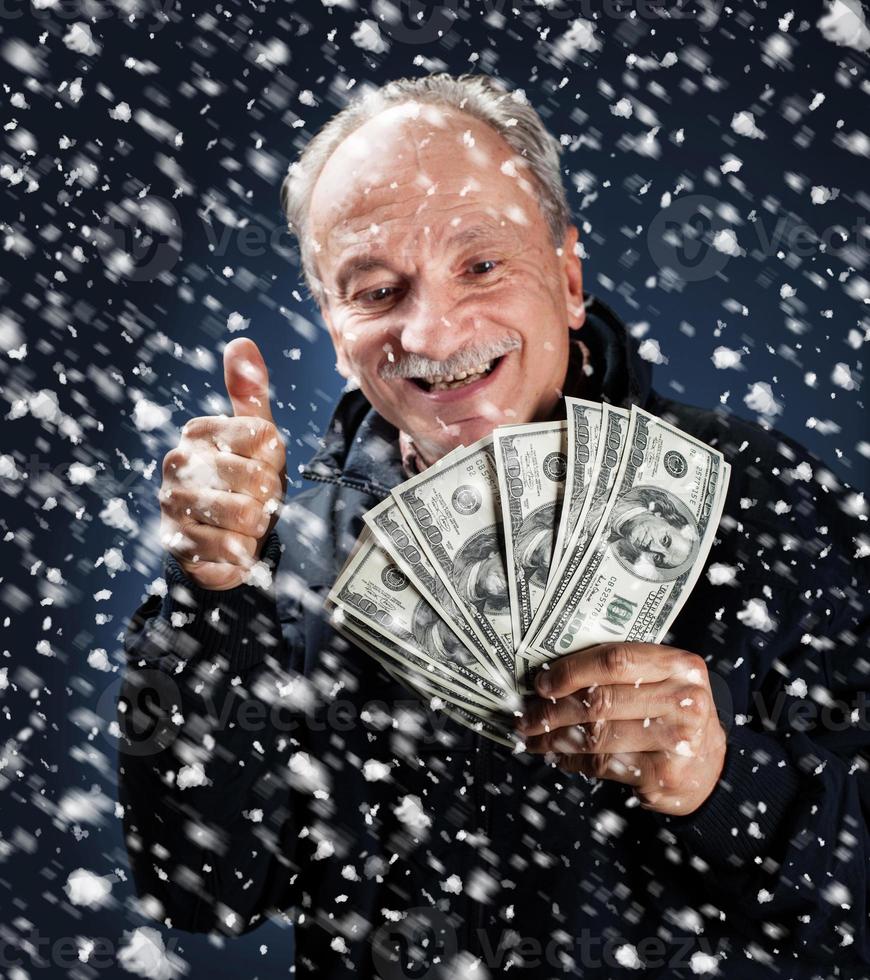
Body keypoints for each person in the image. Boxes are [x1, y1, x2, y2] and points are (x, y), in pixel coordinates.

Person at [119, 73, 869, 977]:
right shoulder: (277, 546)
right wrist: (206, 603)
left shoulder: (766, 498)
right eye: (377, 289)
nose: (434, 334)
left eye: (481, 264)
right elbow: (203, 890)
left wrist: (726, 780)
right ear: (330, 324)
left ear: (568, 278)